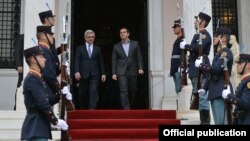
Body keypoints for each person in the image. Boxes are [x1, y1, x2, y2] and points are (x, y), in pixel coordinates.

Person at [21, 46, 68, 140]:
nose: (45, 59)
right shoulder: (32, 78)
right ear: (34, 60)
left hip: (39, 126)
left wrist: (60, 94)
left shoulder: (37, 77)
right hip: (36, 126)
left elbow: (47, 100)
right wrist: (55, 121)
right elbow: (43, 103)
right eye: (41, 57)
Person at [195, 27, 234, 124]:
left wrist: (201, 65)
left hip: (220, 90)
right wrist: (204, 88)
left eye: (216, 36)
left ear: (223, 38)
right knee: (218, 122)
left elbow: (216, 70)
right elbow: (211, 74)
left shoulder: (226, 52)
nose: (214, 38)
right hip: (214, 91)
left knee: (222, 122)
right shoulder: (218, 54)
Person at [180, 12, 212, 124]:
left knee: (202, 96)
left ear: (203, 22)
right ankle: (203, 120)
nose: (194, 22)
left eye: (197, 20)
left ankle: (205, 122)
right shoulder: (197, 34)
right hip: (195, 69)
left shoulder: (205, 35)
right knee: (198, 96)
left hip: (201, 69)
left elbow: (197, 48)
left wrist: (187, 46)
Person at [112, 27, 144, 109]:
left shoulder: (135, 44)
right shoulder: (116, 46)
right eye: (120, 32)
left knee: (132, 89)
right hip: (121, 71)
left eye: (124, 32)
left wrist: (140, 68)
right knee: (123, 90)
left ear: (128, 34)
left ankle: (129, 103)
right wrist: (114, 73)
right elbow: (114, 60)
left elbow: (139, 56)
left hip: (133, 70)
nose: (122, 34)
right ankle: (126, 109)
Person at [74, 29, 106, 109]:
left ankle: (92, 110)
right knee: (82, 93)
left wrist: (103, 73)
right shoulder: (80, 48)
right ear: (85, 38)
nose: (91, 39)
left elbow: (101, 62)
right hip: (83, 74)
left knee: (93, 91)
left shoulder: (97, 49)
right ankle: (83, 108)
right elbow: (77, 61)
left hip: (95, 73)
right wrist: (76, 71)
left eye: (92, 37)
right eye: (89, 37)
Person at [222, 54, 250, 125]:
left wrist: (229, 96)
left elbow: (246, 103)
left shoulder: (248, 82)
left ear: (248, 65)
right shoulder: (245, 80)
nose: (237, 65)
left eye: (240, 63)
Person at [170, 19, 185, 94]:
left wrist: (180, 66)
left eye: (175, 27)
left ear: (180, 27)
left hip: (178, 68)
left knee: (179, 89)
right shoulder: (178, 39)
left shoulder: (182, 39)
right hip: (175, 67)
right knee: (177, 89)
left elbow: (183, 54)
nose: (174, 28)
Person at [14, 34, 24, 110]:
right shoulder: (22, 37)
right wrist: (19, 65)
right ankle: (16, 106)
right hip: (22, 68)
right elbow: (17, 52)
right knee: (20, 86)